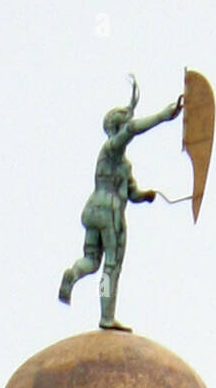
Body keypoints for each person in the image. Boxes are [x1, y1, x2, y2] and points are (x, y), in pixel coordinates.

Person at [59, 80, 182, 330]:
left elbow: (133, 192)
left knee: (91, 260)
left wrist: (145, 195)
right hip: (110, 213)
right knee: (111, 267)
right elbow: (132, 130)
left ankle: (74, 273)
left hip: (93, 209)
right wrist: (162, 116)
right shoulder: (111, 148)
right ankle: (106, 316)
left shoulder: (121, 164)